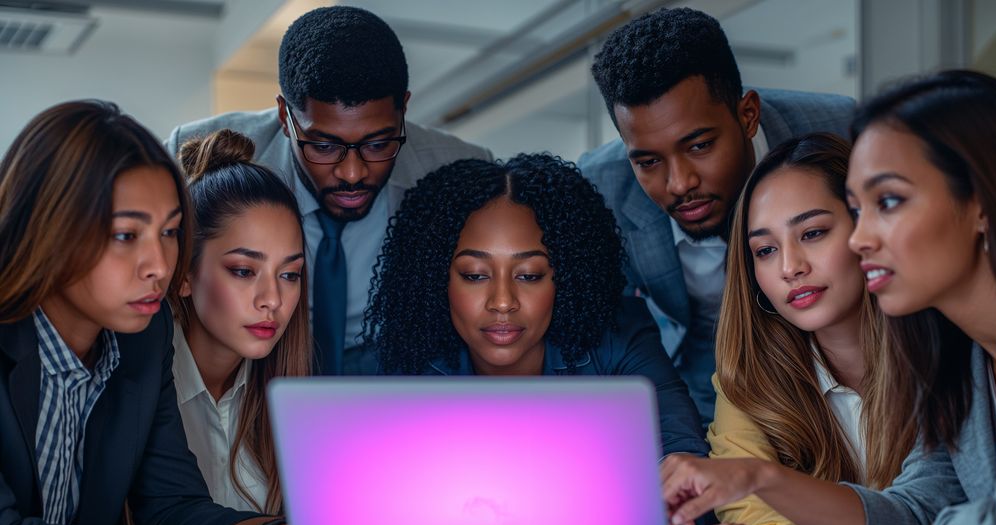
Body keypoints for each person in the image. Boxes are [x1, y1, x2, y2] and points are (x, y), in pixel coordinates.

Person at [661, 70, 996, 525]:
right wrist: (760, 479)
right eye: (857, 211)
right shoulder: (959, 352)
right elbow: (912, 513)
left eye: (888, 203)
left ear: (982, 201)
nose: (860, 239)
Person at [0, 101, 291, 525]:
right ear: (45, 228)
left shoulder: (142, 341)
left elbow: (171, 506)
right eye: (125, 235)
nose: (159, 263)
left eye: (171, 232)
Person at [166, 6, 491, 375]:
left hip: (392, 362)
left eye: (378, 144)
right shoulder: (200, 150)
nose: (352, 173)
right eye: (323, 147)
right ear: (284, 117)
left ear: (403, 109)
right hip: (261, 360)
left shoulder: (459, 170)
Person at [578, 7, 855, 423]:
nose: (679, 183)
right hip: (703, 378)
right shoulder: (601, 190)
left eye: (699, 146)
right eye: (649, 161)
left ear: (747, 115)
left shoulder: (845, 133)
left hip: (844, 366)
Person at [362, 154, 708, 458]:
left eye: (529, 275)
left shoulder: (621, 336)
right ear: (437, 280)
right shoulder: (407, 363)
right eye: (475, 275)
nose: (502, 302)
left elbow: (680, 454)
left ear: (567, 278)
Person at [668, 133, 905, 525]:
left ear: (867, 231)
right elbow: (748, 511)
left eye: (813, 233)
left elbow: (937, 510)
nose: (789, 267)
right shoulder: (748, 376)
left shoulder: (942, 354)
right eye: (766, 250)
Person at [169, 129, 311, 514]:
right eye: (245, 270)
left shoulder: (294, 400)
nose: (273, 300)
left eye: (290, 274)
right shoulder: (137, 392)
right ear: (184, 273)